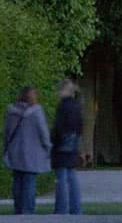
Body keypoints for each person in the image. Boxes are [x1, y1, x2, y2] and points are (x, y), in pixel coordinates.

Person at [3, 86, 51, 214]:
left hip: (15, 151)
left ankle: (18, 209)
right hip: (32, 153)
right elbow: (43, 132)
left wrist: (6, 148)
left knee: (17, 181)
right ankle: (27, 210)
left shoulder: (12, 111)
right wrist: (48, 147)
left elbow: (7, 132)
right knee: (30, 182)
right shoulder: (37, 112)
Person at [52, 79, 84, 215]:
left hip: (62, 144)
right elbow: (80, 126)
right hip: (73, 142)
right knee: (72, 176)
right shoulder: (77, 106)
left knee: (61, 178)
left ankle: (61, 209)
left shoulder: (63, 106)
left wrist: (53, 140)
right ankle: (76, 209)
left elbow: (58, 127)